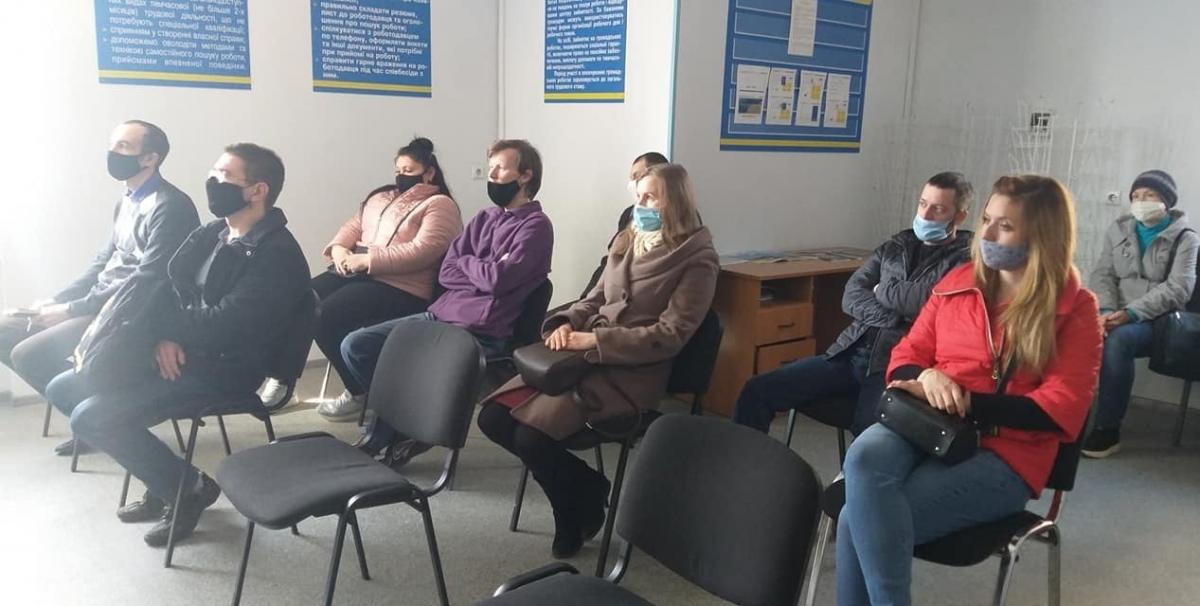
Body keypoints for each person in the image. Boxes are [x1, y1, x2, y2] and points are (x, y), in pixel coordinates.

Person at [835, 175, 1102, 606]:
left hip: (1007, 453)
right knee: (863, 458)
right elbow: (907, 352)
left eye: (1005, 226)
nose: (987, 235)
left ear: (1043, 236)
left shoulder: (1075, 308)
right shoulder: (958, 282)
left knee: (856, 521)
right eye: (987, 220)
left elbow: (1060, 410)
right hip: (925, 423)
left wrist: (967, 402)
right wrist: (927, 376)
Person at [43, 143, 309, 547]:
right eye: (213, 171)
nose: (212, 181)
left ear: (258, 190)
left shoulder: (275, 255)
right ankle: (164, 477)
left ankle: (188, 489)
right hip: (187, 348)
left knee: (93, 418)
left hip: (228, 367)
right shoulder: (216, 232)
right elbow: (168, 285)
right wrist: (163, 338)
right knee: (64, 388)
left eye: (225, 175)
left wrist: (165, 332)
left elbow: (226, 326)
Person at [478, 163, 719, 558]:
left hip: (631, 371)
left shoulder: (698, 259)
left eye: (650, 198)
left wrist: (596, 339)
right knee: (492, 418)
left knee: (531, 436)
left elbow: (671, 335)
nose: (640, 205)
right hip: (580, 356)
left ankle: (569, 512)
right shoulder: (628, 237)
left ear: (675, 202)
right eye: (638, 196)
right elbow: (592, 299)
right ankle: (589, 487)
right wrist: (565, 322)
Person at [340, 139, 554, 460]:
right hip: (440, 315)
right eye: (490, 168)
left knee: (410, 365)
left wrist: (469, 264)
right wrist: (479, 268)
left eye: (500, 168)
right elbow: (447, 272)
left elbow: (498, 280)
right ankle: (408, 421)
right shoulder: (484, 218)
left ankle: (390, 432)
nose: (492, 175)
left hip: (480, 332)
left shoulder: (536, 227)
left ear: (525, 176)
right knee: (356, 346)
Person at [0, 120, 198, 454]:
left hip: (128, 313)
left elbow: (146, 280)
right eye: (112, 145)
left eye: (124, 146)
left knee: (28, 354)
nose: (112, 152)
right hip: (99, 304)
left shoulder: (170, 206)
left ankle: (103, 420)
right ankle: (92, 416)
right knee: (4, 329)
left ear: (150, 158)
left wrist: (72, 310)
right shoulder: (128, 200)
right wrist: (57, 300)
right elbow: (102, 263)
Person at [733, 172, 974, 437]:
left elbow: (929, 303)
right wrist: (897, 317)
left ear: (960, 216)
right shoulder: (895, 246)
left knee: (869, 435)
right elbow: (851, 295)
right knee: (756, 391)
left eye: (938, 209)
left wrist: (882, 289)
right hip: (848, 353)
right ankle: (743, 462)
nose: (925, 215)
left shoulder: (966, 261)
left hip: (893, 368)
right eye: (922, 203)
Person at [263, 137, 462, 417]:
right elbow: (352, 227)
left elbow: (424, 250)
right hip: (357, 274)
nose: (401, 176)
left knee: (326, 316)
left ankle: (359, 392)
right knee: (298, 300)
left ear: (429, 172)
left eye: (409, 170)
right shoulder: (381, 197)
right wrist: (340, 251)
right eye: (398, 170)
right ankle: (282, 378)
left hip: (402, 287)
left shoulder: (440, 205)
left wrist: (368, 260)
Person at [1084, 170, 1199, 457]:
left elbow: (1178, 289)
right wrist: (1106, 310)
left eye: (1149, 195)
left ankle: (1107, 429)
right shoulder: (1118, 229)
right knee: (1065, 327)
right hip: (1114, 312)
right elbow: (1103, 274)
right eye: (1135, 196)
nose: (1140, 201)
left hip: (1158, 320)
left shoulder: (1186, 238)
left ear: (1166, 201)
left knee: (1119, 340)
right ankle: (1059, 414)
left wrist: (1130, 313)